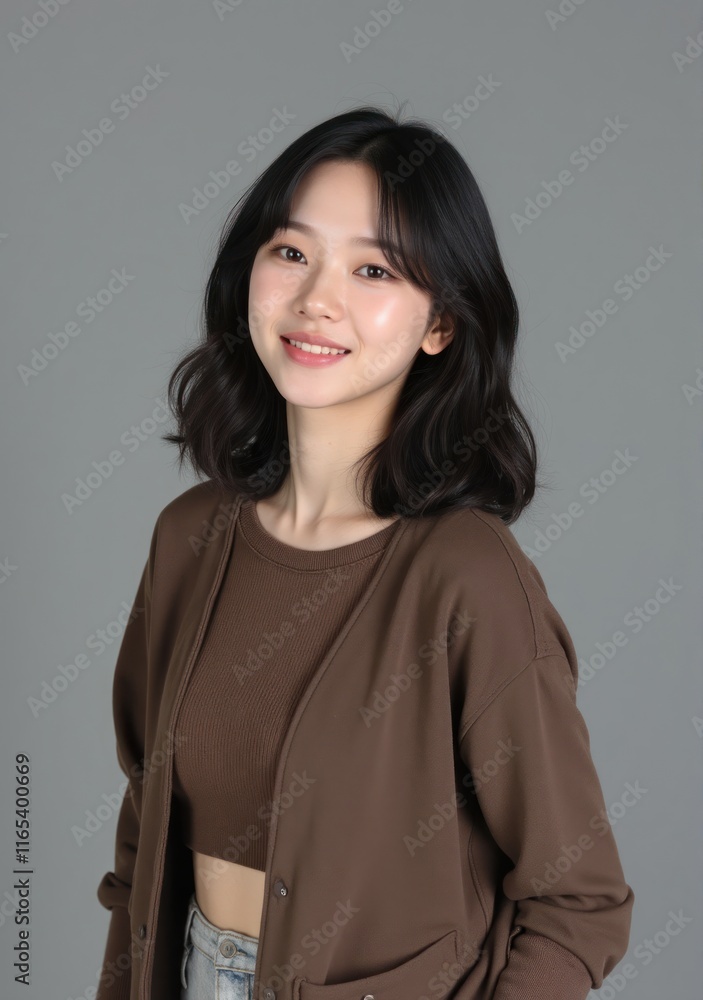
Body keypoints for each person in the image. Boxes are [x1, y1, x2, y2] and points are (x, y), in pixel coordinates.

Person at [95, 104, 634, 1000]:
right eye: (292, 252)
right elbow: (141, 838)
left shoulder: (465, 578)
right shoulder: (189, 538)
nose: (316, 300)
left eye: (373, 268)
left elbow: (578, 901)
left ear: (440, 325)